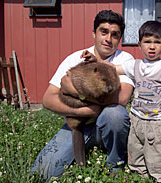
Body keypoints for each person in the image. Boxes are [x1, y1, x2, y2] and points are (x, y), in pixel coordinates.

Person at [31, 10, 134, 180]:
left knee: (115, 113)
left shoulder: (125, 60)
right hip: (78, 123)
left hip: (106, 125)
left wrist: (72, 89)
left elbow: (121, 98)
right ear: (94, 33)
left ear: (119, 38)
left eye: (115, 35)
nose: (108, 38)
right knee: (42, 172)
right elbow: (48, 99)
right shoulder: (75, 58)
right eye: (104, 32)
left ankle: (115, 163)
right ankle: (83, 154)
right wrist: (85, 111)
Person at [116, 20, 161, 182]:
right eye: (147, 42)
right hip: (135, 119)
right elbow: (114, 69)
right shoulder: (134, 65)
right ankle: (140, 176)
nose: (152, 46)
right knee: (134, 151)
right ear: (139, 44)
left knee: (156, 155)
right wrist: (96, 62)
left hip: (155, 123)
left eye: (157, 42)